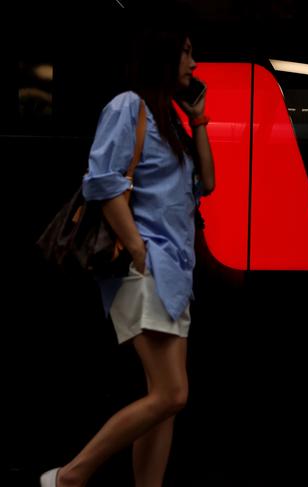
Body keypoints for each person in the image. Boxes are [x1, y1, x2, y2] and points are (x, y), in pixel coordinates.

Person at [39, 29, 215, 487]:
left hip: (174, 271)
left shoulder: (169, 117)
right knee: (174, 394)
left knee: (163, 399)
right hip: (146, 266)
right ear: (163, 55)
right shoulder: (128, 106)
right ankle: (70, 476)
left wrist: (198, 123)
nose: (193, 65)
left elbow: (209, 185)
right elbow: (102, 180)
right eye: (187, 52)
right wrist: (137, 248)